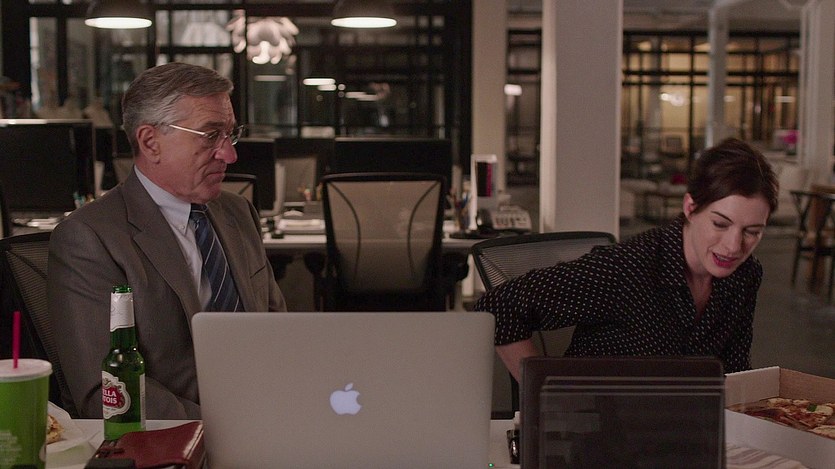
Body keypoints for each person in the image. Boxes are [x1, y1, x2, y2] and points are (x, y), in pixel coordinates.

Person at [48, 62, 287, 419]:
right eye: (210, 135)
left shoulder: (238, 213)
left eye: (230, 134)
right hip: (183, 434)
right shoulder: (90, 238)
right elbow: (106, 390)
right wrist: (228, 426)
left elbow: (278, 331)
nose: (229, 154)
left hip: (273, 413)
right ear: (150, 142)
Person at [475, 137, 778, 382]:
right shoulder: (627, 267)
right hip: (601, 424)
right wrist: (545, 395)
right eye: (720, 224)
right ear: (690, 207)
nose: (733, 246)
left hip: (683, 424)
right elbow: (499, 307)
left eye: (752, 231)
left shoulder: (745, 274)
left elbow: (735, 371)